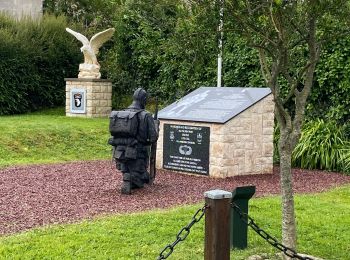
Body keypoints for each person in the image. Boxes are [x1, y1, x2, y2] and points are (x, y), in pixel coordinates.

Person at [108, 88, 159, 194]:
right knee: (142, 176)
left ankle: (128, 175)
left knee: (136, 177)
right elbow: (153, 138)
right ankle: (130, 177)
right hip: (138, 152)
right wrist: (156, 126)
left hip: (120, 151)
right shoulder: (146, 115)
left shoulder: (121, 114)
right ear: (144, 99)